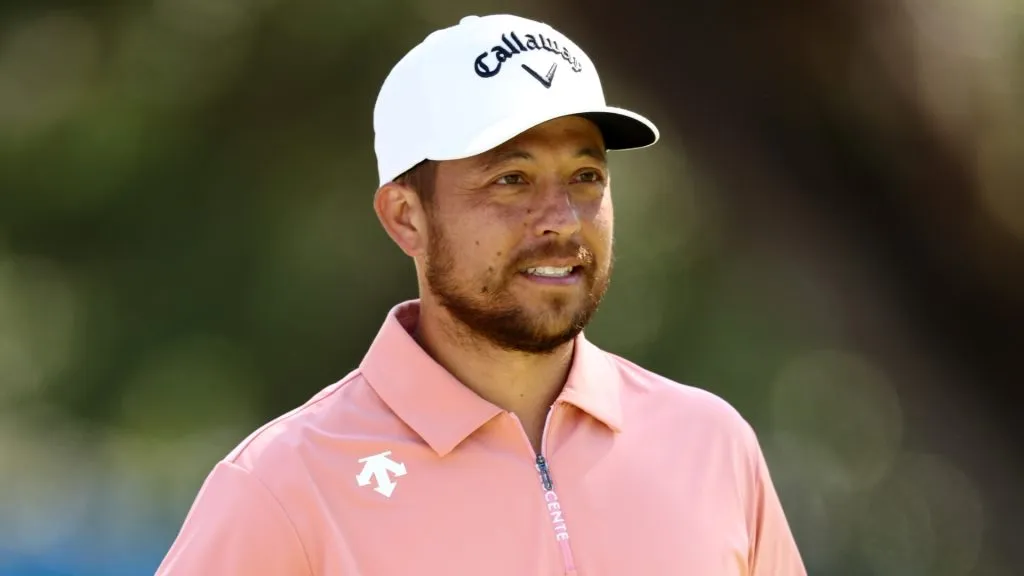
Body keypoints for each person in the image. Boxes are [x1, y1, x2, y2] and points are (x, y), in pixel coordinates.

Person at [155, 13, 806, 576]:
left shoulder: (711, 445)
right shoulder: (286, 485)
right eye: (511, 179)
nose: (560, 217)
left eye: (585, 175)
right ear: (406, 217)